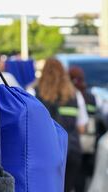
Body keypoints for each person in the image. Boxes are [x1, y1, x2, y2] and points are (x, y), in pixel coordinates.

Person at [37, 58, 85, 192]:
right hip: (72, 151)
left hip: (45, 152)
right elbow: (82, 127)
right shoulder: (75, 95)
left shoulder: (34, 92)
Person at [69, 66, 98, 192]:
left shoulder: (69, 96)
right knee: (82, 179)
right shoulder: (91, 97)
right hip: (88, 145)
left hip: (73, 143)